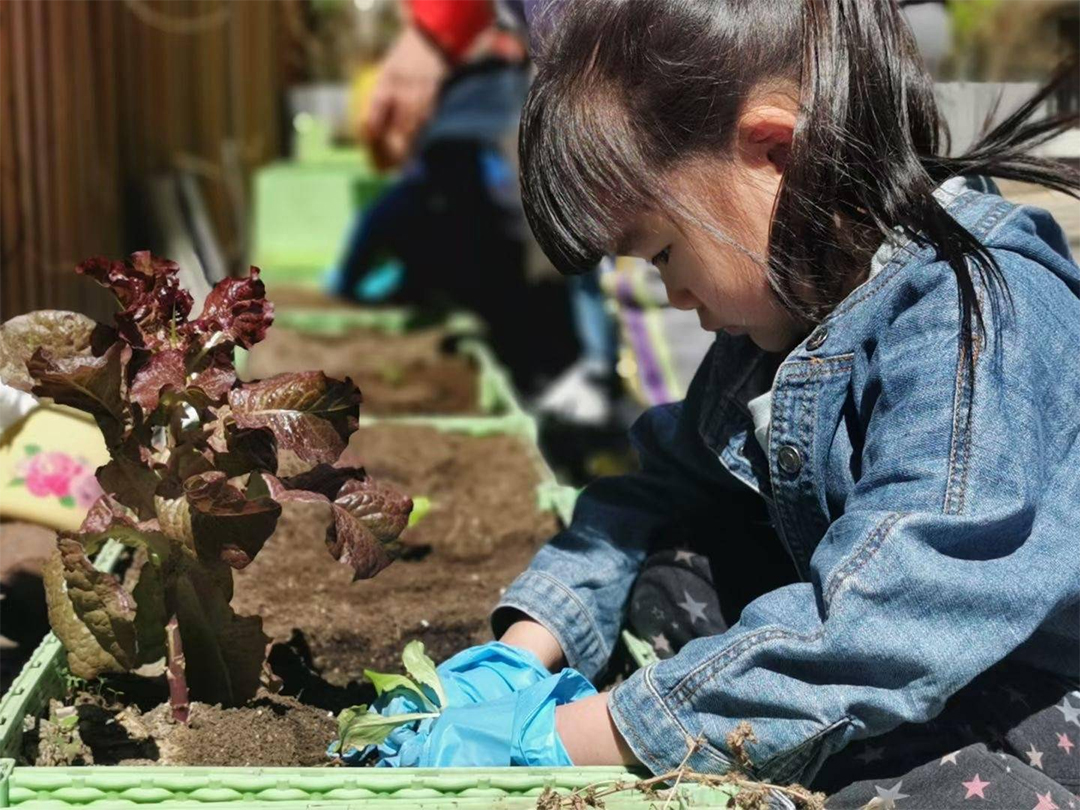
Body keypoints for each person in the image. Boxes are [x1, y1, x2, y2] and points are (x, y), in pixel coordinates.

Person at [349, 0, 1080, 805]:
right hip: (899, 660)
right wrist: (531, 646)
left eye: (663, 251)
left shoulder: (973, 310)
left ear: (775, 151)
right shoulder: (782, 319)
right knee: (672, 575)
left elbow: (889, 623)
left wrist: (579, 737)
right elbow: (656, 489)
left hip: (1034, 691)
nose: (670, 294)